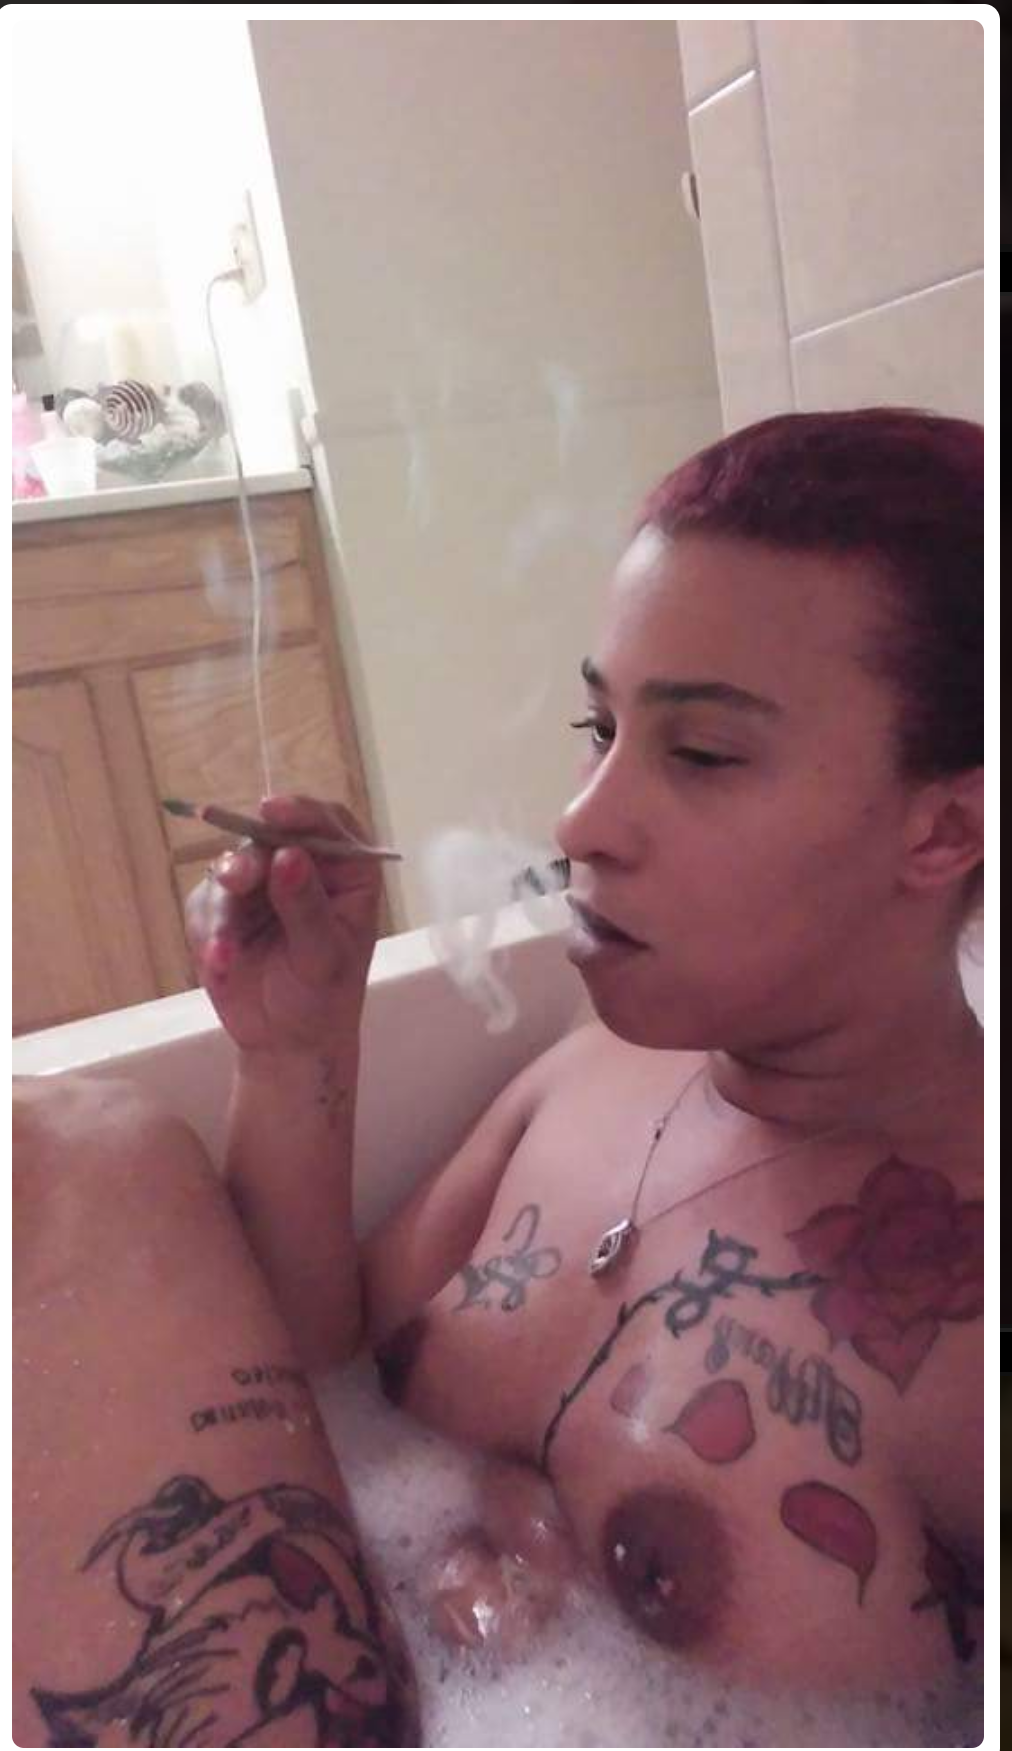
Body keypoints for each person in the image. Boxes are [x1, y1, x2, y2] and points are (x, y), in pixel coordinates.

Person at [14, 407, 984, 1735]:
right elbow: (313, 1364)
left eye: (700, 753)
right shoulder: (588, 1077)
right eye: (600, 727)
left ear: (944, 828)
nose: (581, 819)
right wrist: (298, 1051)